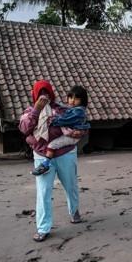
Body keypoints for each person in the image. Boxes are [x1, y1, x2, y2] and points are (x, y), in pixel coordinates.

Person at [19, 80, 87, 242]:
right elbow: (24, 129)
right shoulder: (29, 112)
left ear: (51, 94)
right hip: (42, 156)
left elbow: (79, 122)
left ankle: (74, 211)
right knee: (43, 192)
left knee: (71, 186)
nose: (44, 95)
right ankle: (43, 228)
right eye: (40, 92)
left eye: (46, 92)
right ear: (34, 95)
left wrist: (80, 132)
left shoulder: (63, 110)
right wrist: (37, 110)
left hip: (65, 153)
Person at [32, 85, 90, 176]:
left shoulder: (78, 111)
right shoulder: (71, 109)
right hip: (68, 135)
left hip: (72, 135)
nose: (72, 100)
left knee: (52, 145)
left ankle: (45, 165)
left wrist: (52, 120)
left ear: (82, 100)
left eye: (76, 98)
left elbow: (66, 120)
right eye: (70, 97)